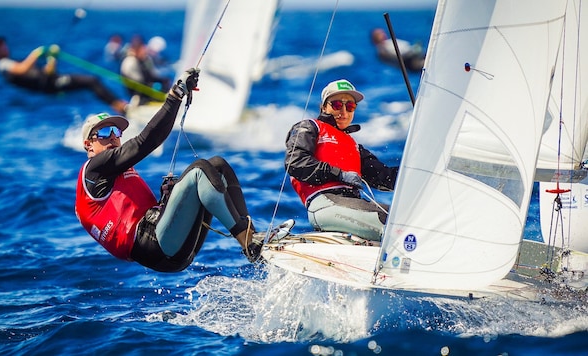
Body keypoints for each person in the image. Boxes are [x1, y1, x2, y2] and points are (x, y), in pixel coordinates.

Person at [75, 68, 262, 272]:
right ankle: (247, 241)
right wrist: (175, 96)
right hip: (152, 246)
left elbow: (151, 142)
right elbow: (146, 141)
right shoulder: (94, 169)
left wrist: (166, 200)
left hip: (168, 244)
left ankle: (250, 233)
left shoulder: (113, 172)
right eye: (103, 132)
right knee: (199, 171)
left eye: (116, 131)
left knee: (217, 165)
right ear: (88, 145)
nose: (112, 136)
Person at [284, 79, 399, 241]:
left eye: (350, 106)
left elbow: (384, 176)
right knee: (395, 223)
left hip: (350, 205)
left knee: (407, 219)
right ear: (324, 107)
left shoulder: (354, 147)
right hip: (325, 204)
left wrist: (418, 173)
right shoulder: (309, 128)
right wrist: (339, 175)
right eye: (337, 105)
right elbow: (295, 162)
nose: (344, 111)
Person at [0, 36, 128, 114]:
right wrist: (37, 52)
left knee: (92, 81)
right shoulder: (3, 64)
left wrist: (51, 59)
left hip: (51, 81)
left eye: (2, 45)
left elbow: (47, 72)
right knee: (90, 81)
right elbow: (22, 69)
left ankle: (118, 105)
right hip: (50, 85)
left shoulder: (12, 61)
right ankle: (119, 105)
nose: (3, 48)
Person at [120, 35, 171, 105]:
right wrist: (152, 85)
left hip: (147, 88)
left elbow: (152, 75)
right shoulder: (129, 62)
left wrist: (164, 81)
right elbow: (137, 83)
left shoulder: (146, 59)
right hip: (139, 95)